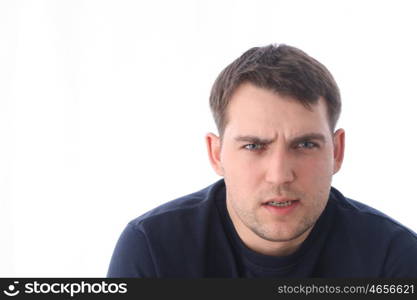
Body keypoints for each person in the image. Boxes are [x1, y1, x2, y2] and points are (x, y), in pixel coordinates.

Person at [107, 44, 417, 277]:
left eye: (306, 144)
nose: (279, 175)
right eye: (254, 146)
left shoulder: (393, 258)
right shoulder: (153, 249)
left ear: (337, 151)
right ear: (216, 154)